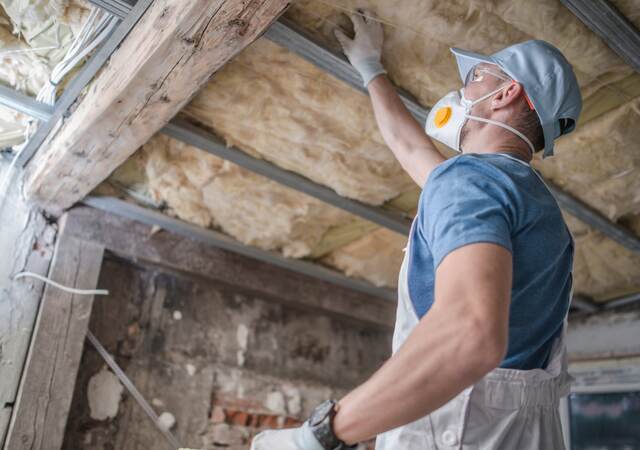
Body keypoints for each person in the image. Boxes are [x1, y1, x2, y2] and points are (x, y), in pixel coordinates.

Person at [251, 9, 581, 450]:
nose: (463, 88)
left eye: (477, 77)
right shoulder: (539, 212)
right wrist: (371, 69)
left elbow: (470, 336)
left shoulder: (470, 181)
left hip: (457, 430)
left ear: (507, 94)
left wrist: (316, 437)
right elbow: (410, 147)